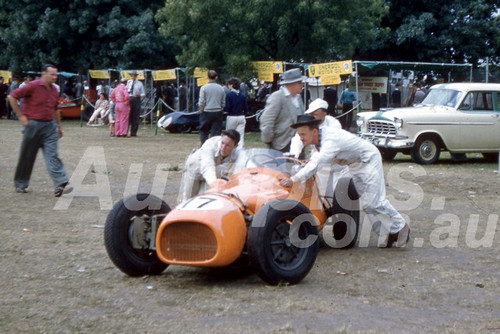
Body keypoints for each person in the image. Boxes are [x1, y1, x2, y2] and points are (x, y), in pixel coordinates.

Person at [280, 114, 410, 248]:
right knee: (367, 204)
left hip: (368, 160)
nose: (301, 138)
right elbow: (316, 158)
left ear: (314, 131)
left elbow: (317, 162)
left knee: (376, 201)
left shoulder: (330, 139)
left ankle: (402, 227)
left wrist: (293, 179)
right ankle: (392, 233)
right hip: (354, 164)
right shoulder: (319, 139)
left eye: (303, 134)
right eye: (299, 135)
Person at [7, 64, 73, 197]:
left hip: (50, 126)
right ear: (44, 74)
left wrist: (59, 127)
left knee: (52, 155)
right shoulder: (32, 86)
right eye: (52, 74)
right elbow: (12, 97)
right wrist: (20, 115)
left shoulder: (54, 90)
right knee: (27, 156)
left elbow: (55, 109)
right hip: (33, 125)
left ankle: (60, 184)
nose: (55, 77)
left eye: (56, 74)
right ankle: (20, 184)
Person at [180, 129, 240, 202]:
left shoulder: (237, 154)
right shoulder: (210, 144)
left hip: (213, 172)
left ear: (235, 146)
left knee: (205, 198)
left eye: (228, 145)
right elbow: (207, 166)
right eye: (222, 143)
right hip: (195, 168)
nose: (223, 147)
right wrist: (214, 184)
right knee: (188, 199)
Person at [260, 68, 306, 152]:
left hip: (298, 145)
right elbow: (267, 121)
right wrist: (270, 141)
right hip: (280, 145)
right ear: (290, 84)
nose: (302, 85)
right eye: (300, 82)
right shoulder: (277, 97)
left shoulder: (299, 98)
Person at [198, 70, 226, 145]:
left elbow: (202, 101)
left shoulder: (203, 88)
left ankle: (204, 146)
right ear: (216, 77)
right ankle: (214, 147)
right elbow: (223, 102)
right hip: (217, 111)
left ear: (207, 77)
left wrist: (201, 110)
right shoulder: (221, 88)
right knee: (216, 132)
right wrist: (222, 109)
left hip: (206, 111)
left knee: (204, 131)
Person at [225, 77, 248, 148]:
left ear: (231, 85)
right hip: (241, 116)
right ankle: (240, 149)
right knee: (240, 135)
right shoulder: (242, 96)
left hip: (232, 117)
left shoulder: (229, 95)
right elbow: (246, 108)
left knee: (229, 135)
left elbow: (228, 108)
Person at [126, 70, 145, 137]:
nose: (133, 76)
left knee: (135, 116)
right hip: (129, 99)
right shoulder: (128, 82)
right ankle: (125, 131)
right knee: (127, 116)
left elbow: (143, 93)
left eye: (134, 75)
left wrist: (140, 95)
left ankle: (133, 132)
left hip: (136, 99)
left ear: (136, 76)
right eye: (132, 75)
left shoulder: (140, 83)